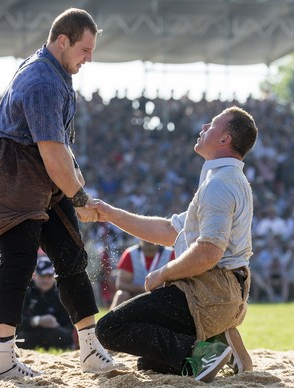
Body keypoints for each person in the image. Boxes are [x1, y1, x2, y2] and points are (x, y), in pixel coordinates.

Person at [0, 8, 117, 378]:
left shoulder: (56, 72)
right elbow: (52, 153)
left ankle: (88, 347)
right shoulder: (42, 80)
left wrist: (78, 188)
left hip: (44, 180)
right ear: (62, 40)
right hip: (15, 177)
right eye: (85, 49)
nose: (89, 58)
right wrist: (80, 199)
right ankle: (1, 359)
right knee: (19, 262)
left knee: (71, 258)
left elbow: (61, 149)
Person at [91, 106, 258, 383]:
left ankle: (206, 349)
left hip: (209, 294)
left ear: (225, 139)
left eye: (213, 124)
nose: (204, 126)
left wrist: (163, 273)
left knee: (110, 328)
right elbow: (170, 230)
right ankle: (219, 341)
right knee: (151, 362)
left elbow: (208, 252)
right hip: (223, 293)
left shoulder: (219, 185)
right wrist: (108, 213)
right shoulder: (224, 180)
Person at [17, 255, 74, 351]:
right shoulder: (24, 292)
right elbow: (16, 323)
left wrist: (55, 325)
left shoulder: (60, 294)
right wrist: (37, 321)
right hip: (29, 334)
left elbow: (69, 327)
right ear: (34, 276)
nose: (46, 280)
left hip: (53, 333)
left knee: (65, 337)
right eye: (42, 276)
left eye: (49, 276)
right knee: (19, 338)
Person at [110, 239, 175, 309]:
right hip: (135, 296)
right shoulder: (130, 253)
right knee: (121, 294)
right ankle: (110, 320)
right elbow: (121, 284)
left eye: (152, 234)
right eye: (146, 235)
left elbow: (176, 282)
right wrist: (143, 289)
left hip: (161, 296)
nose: (149, 239)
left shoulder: (171, 253)